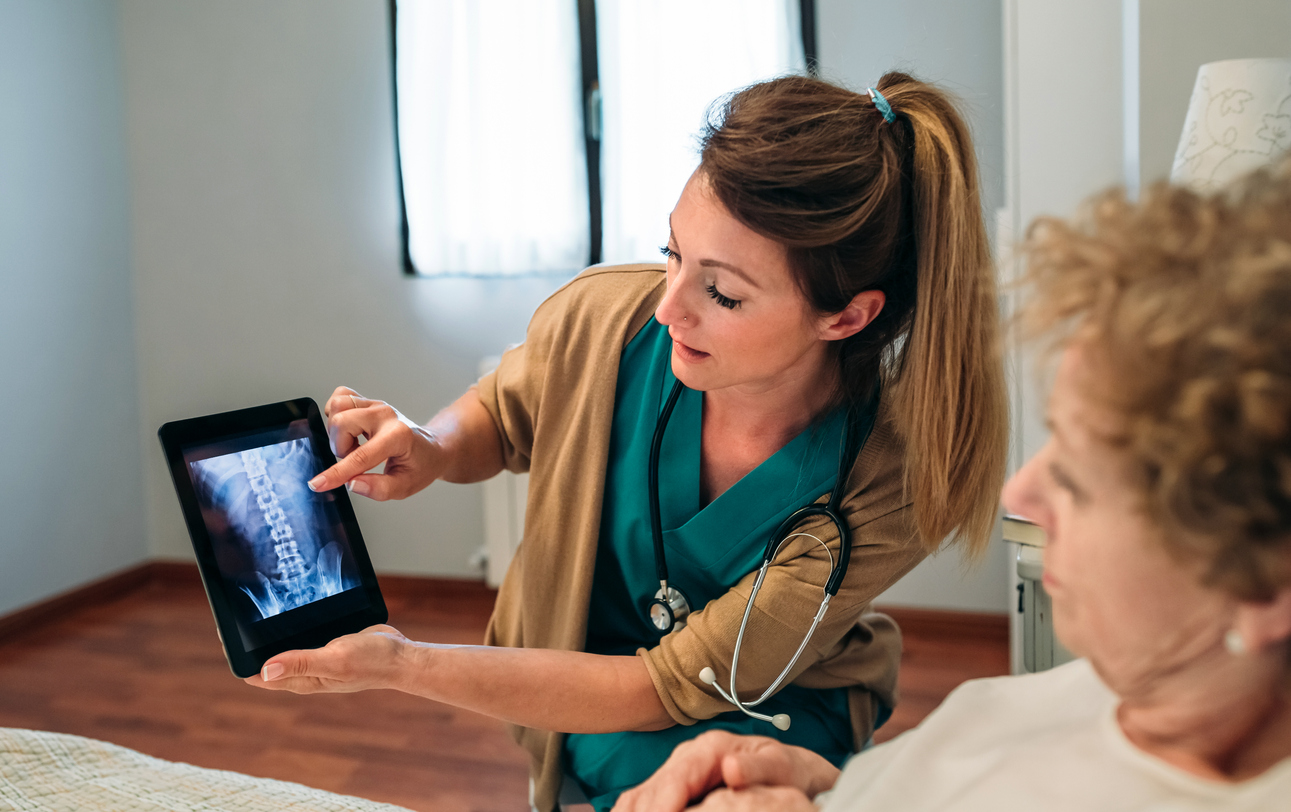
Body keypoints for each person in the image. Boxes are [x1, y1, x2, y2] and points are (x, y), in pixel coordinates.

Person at [245, 73, 1008, 812]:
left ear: (844, 318)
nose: (668, 306)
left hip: (775, 700)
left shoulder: (896, 477)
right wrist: (431, 445)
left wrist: (403, 665)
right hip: (583, 664)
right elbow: (505, 414)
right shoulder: (606, 319)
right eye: (672, 252)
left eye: (722, 292)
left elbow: (664, 689)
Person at [613, 160, 1291, 812]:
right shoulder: (1113, 690)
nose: (1017, 496)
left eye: (1080, 484)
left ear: (1263, 590)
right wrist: (820, 790)